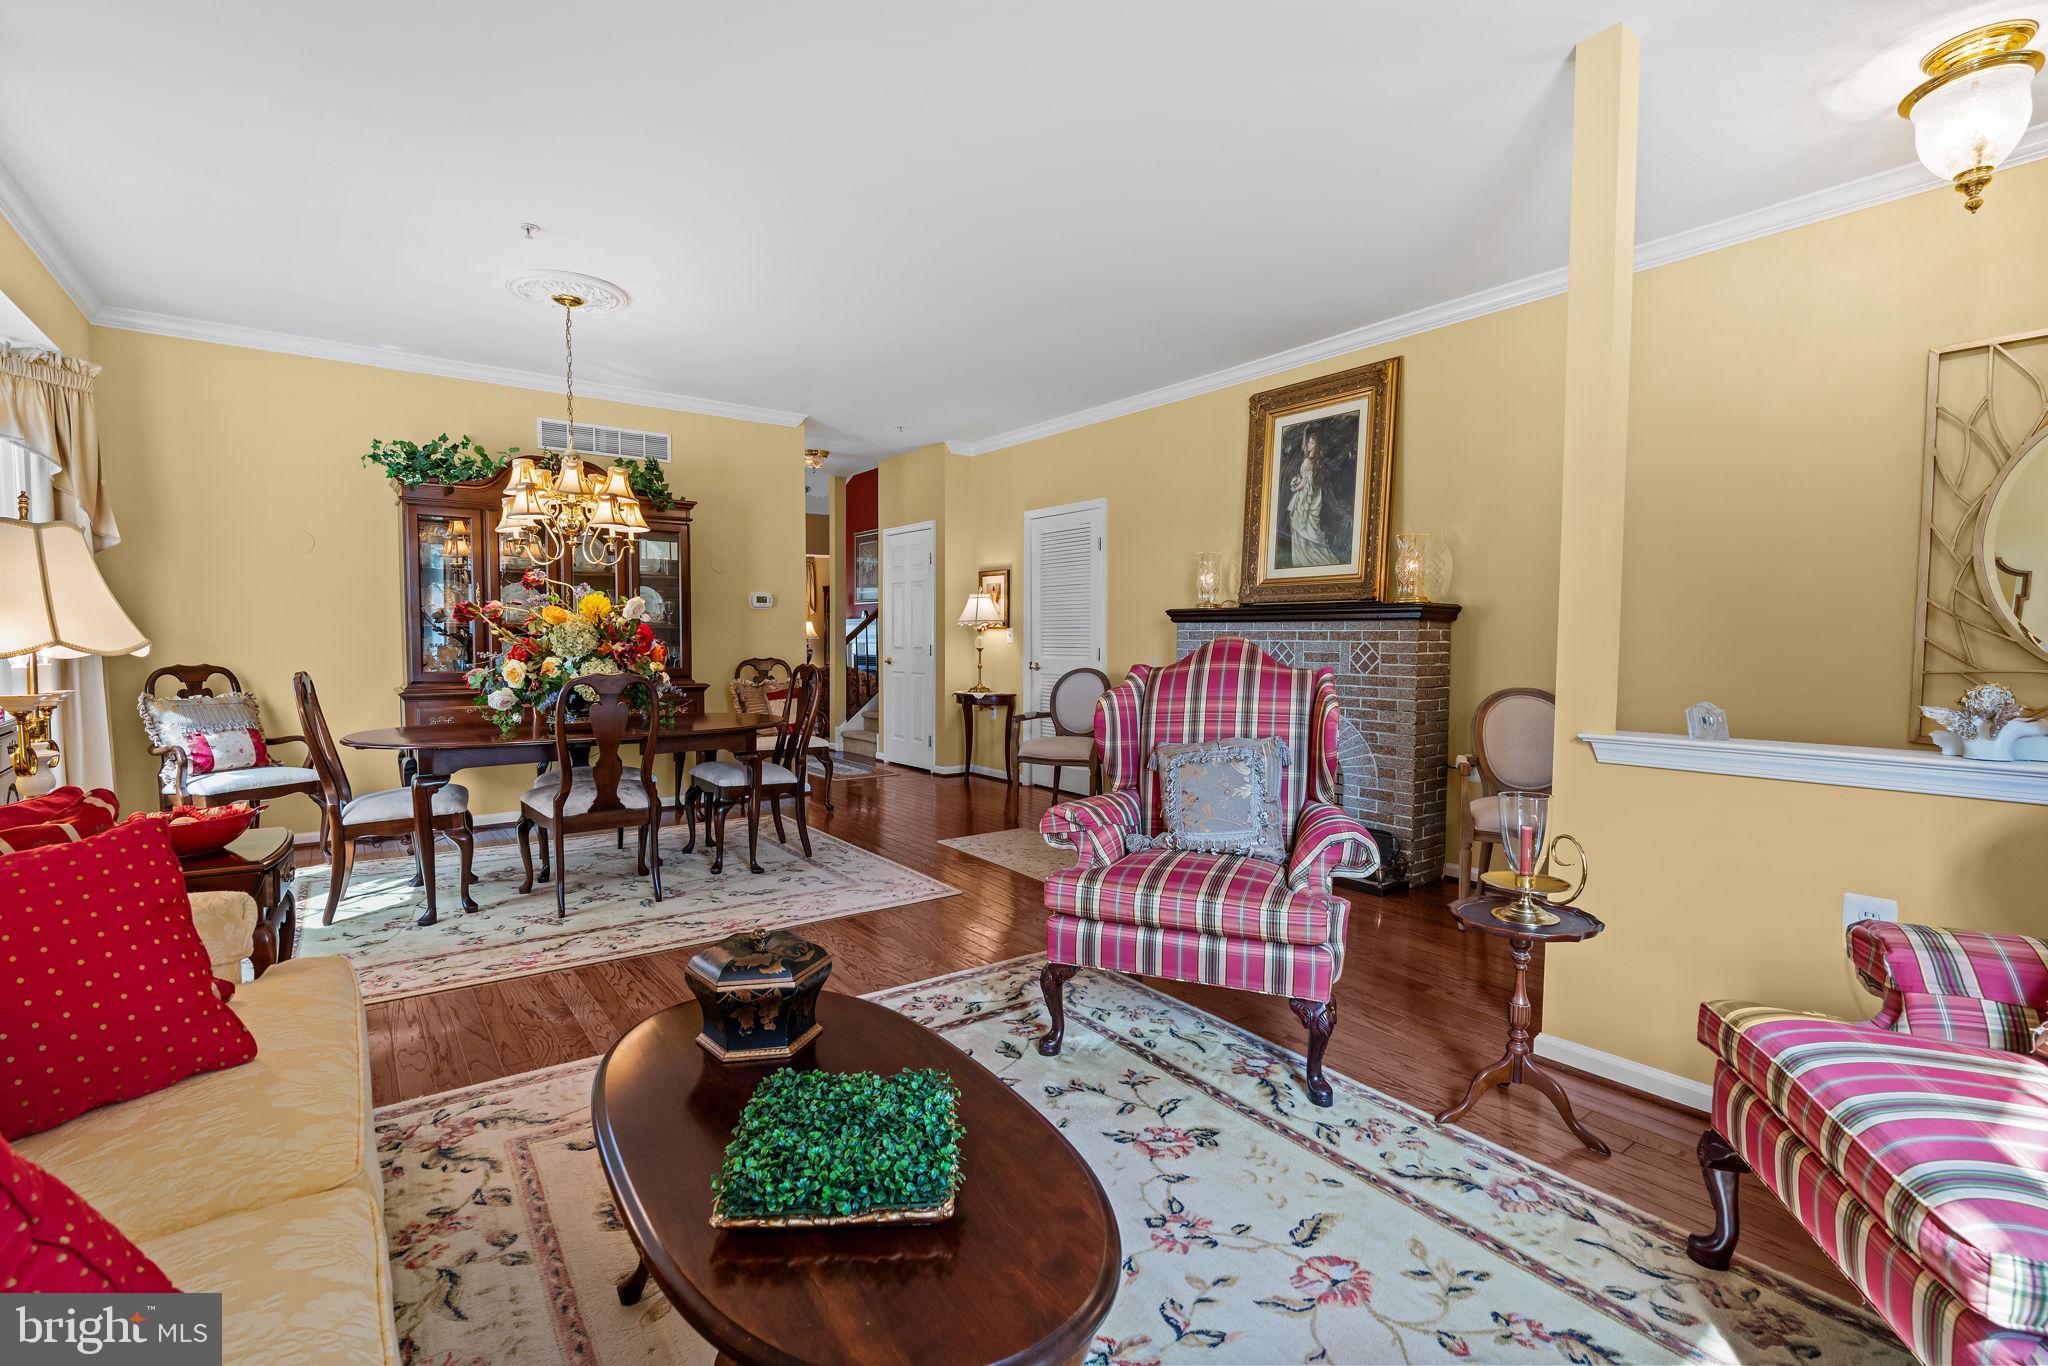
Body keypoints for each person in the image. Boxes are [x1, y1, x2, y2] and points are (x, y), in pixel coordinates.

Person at [1286, 429, 1339, 567]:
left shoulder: (1310, 462)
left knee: (1301, 525)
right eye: (1308, 442)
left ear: (1316, 446)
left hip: (1307, 496)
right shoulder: (1311, 460)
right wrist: (1304, 433)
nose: (1309, 445)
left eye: (1312, 443)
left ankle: (1305, 558)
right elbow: (1304, 479)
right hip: (1309, 494)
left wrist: (1294, 487)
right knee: (1298, 525)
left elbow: (1306, 483)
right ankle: (1300, 557)